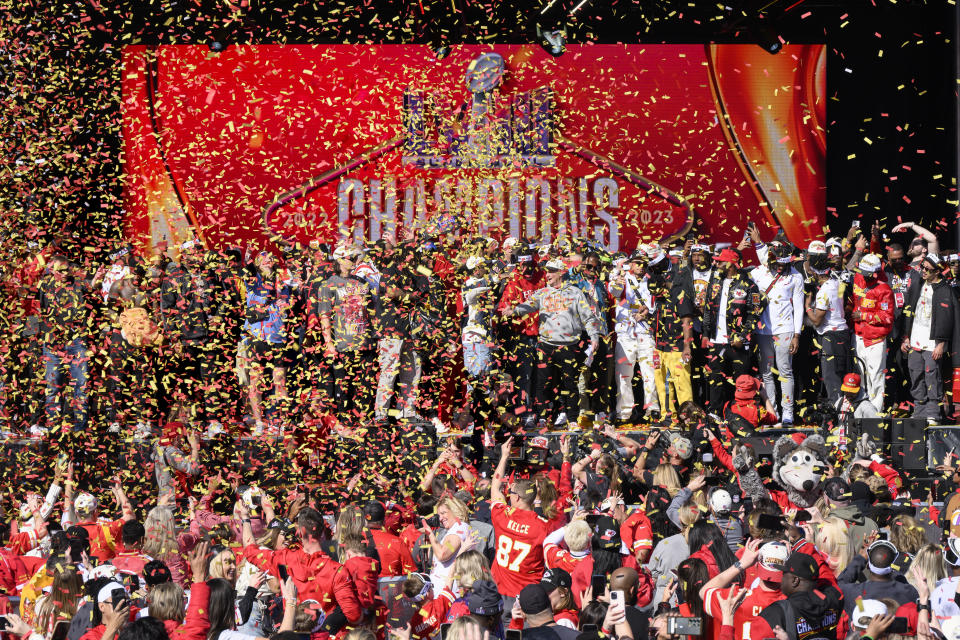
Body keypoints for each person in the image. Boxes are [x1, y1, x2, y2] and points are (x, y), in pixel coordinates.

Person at [502, 257, 601, 427]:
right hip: (546, 345)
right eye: (547, 271)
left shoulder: (575, 292)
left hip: (569, 345)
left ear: (561, 272)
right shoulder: (542, 293)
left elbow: (588, 316)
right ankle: (542, 418)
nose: (547, 275)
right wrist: (514, 311)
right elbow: (528, 306)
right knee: (542, 384)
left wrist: (594, 336)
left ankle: (572, 419)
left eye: (551, 271)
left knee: (570, 384)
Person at [316, 244, 377, 426]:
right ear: (339, 261)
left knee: (365, 384)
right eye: (349, 258)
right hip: (343, 343)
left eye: (354, 257)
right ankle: (343, 421)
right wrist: (329, 343)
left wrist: (375, 337)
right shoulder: (328, 285)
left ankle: (364, 419)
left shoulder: (362, 283)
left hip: (364, 342)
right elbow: (324, 316)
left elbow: (371, 313)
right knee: (343, 385)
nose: (353, 260)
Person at [702, 248, 762, 414]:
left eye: (720, 261)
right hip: (716, 341)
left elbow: (755, 313)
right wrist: (706, 334)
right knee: (715, 381)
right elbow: (708, 310)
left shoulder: (749, 285)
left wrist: (742, 337)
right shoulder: (714, 282)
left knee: (741, 382)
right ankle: (715, 415)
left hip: (737, 343)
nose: (716, 263)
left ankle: (740, 415)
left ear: (730, 264)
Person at [751, 240, 804, 426]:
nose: (781, 266)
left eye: (785, 263)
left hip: (785, 330)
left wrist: (797, 335)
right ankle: (771, 412)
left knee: (785, 371)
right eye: (778, 262)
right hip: (762, 331)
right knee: (766, 373)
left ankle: (788, 412)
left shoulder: (796, 277)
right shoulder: (758, 272)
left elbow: (798, 308)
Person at [489, 438, 548, 604]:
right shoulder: (543, 527)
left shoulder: (502, 515)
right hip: (527, 598)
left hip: (499, 594)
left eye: (511, 493)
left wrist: (504, 456)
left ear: (516, 497)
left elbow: (495, 487)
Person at [902, 253, 958, 420]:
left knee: (932, 377)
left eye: (927, 269)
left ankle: (932, 415)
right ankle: (919, 414)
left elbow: (947, 320)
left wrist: (941, 344)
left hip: (932, 342)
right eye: (922, 268)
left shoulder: (944, 290)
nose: (923, 271)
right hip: (915, 340)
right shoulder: (918, 283)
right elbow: (909, 311)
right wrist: (906, 337)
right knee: (916, 375)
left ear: (937, 272)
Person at [608, 250, 659, 422]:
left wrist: (647, 314)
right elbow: (614, 293)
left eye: (644, 262)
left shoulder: (652, 280)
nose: (641, 266)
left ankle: (652, 409)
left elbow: (657, 304)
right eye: (637, 262)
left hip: (646, 332)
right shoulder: (622, 278)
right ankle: (624, 413)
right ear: (631, 263)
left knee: (650, 373)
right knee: (624, 375)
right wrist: (617, 278)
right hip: (625, 334)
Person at [645, 246, 695, 416]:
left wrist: (687, 346)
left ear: (664, 284)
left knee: (681, 382)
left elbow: (687, 320)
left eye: (656, 290)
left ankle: (687, 416)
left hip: (678, 346)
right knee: (662, 382)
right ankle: (668, 415)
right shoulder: (659, 298)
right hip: (660, 345)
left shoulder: (679, 292)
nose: (654, 293)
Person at [749, 552, 843, 640]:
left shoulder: (773, 614)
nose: (781, 578)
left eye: (784, 574)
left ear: (795, 581)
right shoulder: (835, 599)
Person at [851, 254, 894, 413]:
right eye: (862, 272)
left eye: (867, 274)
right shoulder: (858, 278)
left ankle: (874, 411)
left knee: (876, 377)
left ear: (876, 273)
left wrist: (864, 316)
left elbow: (888, 317)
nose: (864, 276)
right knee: (860, 374)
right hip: (858, 336)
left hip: (876, 339)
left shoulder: (884, 289)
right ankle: (860, 408)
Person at [805, 262, 850, 406]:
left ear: (817, 273)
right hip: (843, 333)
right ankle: (843, 411)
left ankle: (836, 415)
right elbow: (844, 304)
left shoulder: (824, 291)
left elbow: (817, 321)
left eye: (812, 272)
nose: (811, 274)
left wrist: (807, 308)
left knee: (831, 378)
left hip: (831, 336)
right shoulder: (838, 283)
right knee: (841, 375)